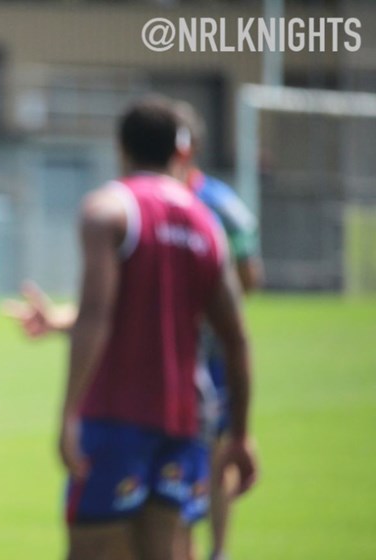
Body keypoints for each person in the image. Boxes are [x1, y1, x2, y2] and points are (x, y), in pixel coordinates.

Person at [4, 96, 257, 560]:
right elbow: (236, 339)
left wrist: (68, 414)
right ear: (178, 152)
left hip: (116, 418)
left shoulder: (109, 209)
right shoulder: (206, 222)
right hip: (185, 424)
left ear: (121, 148)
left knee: (95, 549)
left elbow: (100, 315)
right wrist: (240, 434)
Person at [171, 101, 264, 560]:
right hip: (169, 352)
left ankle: (219, 550)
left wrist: (214, 314)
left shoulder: (221, 205)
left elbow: (250, 272)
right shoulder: (156, 202)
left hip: (210, 353)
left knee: (219, 449)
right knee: (179, 457)